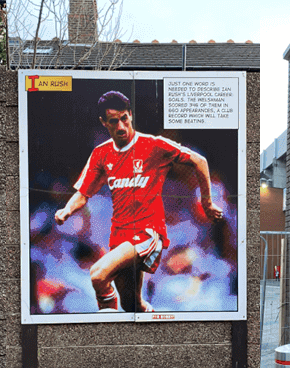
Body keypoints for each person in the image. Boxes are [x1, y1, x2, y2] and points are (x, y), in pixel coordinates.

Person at [53, 91, 224, 312]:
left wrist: (208, 202)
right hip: (121, 239)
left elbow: (199, 162)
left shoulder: (156, 149)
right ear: (105, 124)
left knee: (98, 275)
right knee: (131, 304)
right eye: (114, 121)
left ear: (131, 116)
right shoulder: (102, 157)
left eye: (125, 118)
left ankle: (108, 329)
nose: (121, 125)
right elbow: (83, 194)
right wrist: (67, 209)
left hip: (148, 234)